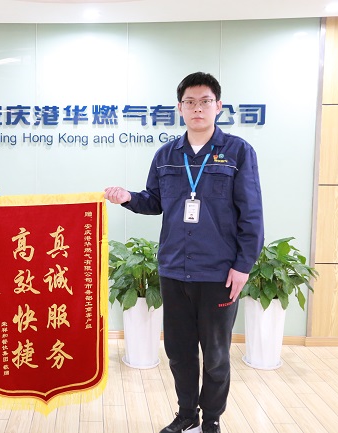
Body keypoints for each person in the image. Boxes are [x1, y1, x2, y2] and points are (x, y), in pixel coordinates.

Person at [104, 72, 264, 433]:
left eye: (205, 101)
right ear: (180, 108)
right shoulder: (166, 155)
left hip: (219, 273)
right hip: (174, 270)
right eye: (190, 102)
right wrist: (128, 198)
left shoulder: (238, 152)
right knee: (178, 350)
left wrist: (243, 266)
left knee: (216, 354)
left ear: (218, 106)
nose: (197, 108)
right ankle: (187, 414)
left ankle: (212, 419)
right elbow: (154, 201)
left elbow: (252, 214)